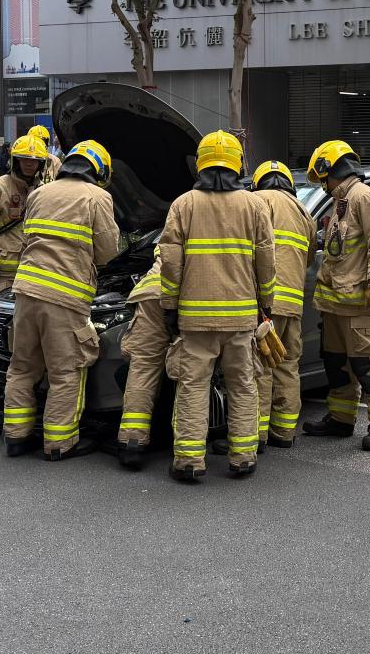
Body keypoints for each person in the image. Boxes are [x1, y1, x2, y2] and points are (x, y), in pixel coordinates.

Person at [157, 131, 275, 482]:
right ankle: (243, 457)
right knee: (243, 385)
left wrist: (169, 306)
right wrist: (265, 303)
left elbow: (169, 264)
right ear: (238, 163)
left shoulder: (184, 204)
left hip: (195, 319)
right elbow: (266, 262)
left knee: (193, 386)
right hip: (240, 318)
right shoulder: (254, 205)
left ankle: (190, 461)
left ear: (202, 162)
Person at [3, 140, 118, 460]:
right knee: (65, 370)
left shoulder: (40, 193)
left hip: (25, 290)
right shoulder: (98, 197)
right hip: (65, 296)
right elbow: (107, 251)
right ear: (99, 170)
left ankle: (15, 437)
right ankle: (59, 443)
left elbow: (28, 236)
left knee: (23, 366)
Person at [302, 139, 370, 451]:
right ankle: (341, 419)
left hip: (360, 303)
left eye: (323, 179)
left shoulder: (362, 197)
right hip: (336, 305)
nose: (323, 187)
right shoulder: (341, 202)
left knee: (367, 365)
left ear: (331, 169)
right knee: (337, 364)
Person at [250, 159, 317, 447]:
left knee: (260, 366)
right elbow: (310, 257)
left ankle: (255, 435)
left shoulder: (255, 201)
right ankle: (284, 432)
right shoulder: (305, 212)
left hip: (265, 300)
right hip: (293, 302)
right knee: (288, 364)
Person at [0, 134, 47, 311]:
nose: (30, 164)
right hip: (2, 276)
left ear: (41, 164)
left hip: (34, 274)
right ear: (15, 160)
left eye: (35, 160)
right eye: (24, 159)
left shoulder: (45, 191)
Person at [115, 254, 171, 469]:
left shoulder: (179, 218)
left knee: (143, 368)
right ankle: (187, 447)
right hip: (192, 293)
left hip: (152, 291)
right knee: (192, 371)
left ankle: (132, 444)